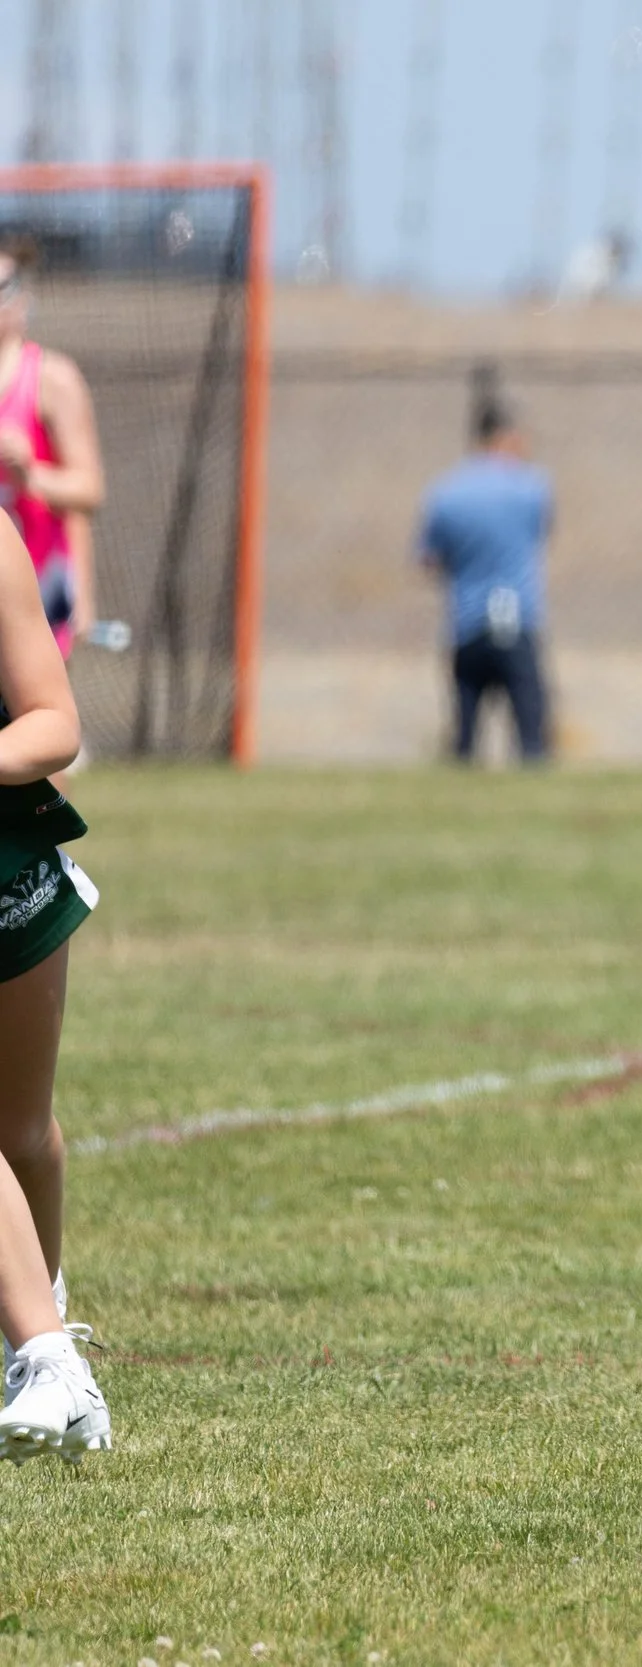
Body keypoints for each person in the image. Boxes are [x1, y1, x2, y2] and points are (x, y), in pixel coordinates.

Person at [0, 512, 108, 1462]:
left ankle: (49, 1334)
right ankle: (42, 1354)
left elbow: (55, 723)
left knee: (22, 1130)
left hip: (7, 865)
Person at [417, 399, 554, 765]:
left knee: (465, 736)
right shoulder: (531, 487)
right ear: (506, 438)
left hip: (467, 621)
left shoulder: (445, 491)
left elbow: (429, 558)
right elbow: (540, 532)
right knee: (532, 739)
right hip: (518, 619)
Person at [0, 240, 107, 659]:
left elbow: (89, 490)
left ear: (23, 297)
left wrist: (30, 476)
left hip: (39, 593)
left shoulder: (51, 378)